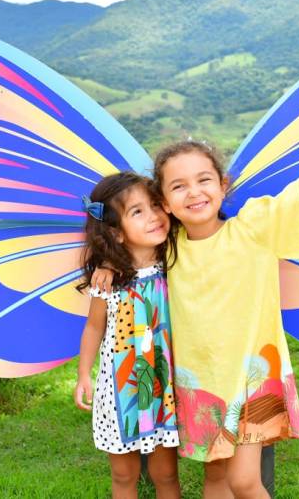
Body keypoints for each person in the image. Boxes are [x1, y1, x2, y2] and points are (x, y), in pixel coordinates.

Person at [96, 131, 299, 499]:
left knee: (243, 481)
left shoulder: (253, 229)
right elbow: (131, 247)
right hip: (202, 386)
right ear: (165, 202)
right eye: (179, 186)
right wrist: (109, 266)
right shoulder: (168, 248)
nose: (194, 192)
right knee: (215, 478)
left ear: (223, 186)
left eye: (204, 180)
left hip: (251, 379)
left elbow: (298, 194)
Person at [74, 172, 181, 499]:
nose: (154, 217)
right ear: (116, 233)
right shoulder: (109, 281)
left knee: (166, 474)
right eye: (138, 212)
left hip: (165, 388)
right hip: (120, 390)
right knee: (123, 475)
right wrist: (83, 375)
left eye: (155, 206)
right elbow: (94, 327)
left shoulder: (177, 263)